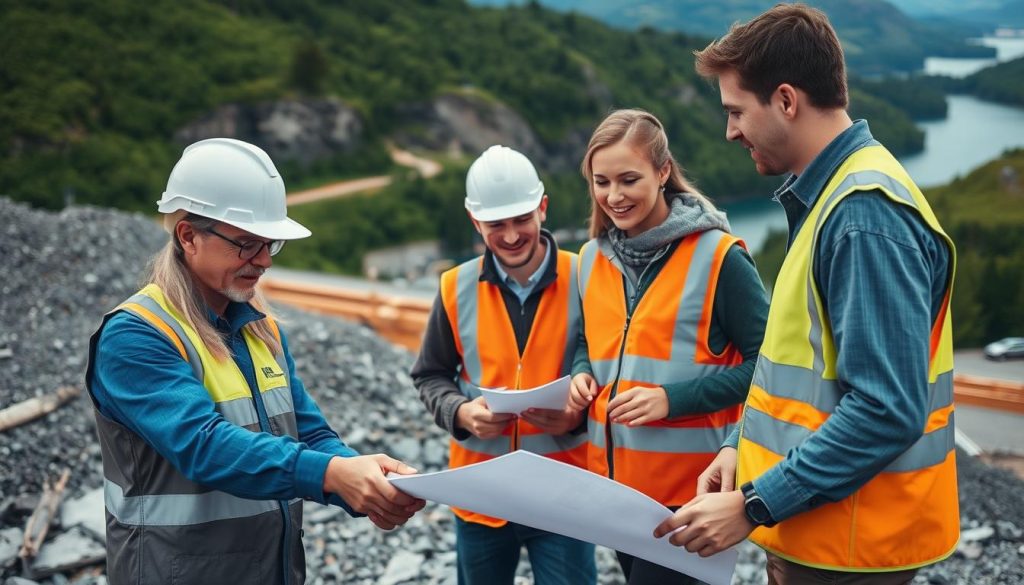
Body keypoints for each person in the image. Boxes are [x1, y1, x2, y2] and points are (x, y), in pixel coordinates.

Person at [654, 5, 958, 584]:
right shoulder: (831, 199)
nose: (730, 131)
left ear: (786, 101)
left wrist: (752, 505)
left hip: (851, 548)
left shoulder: (862, 217)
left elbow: (885, 410)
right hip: (823, 534)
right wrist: (740, 453)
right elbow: (794, 376)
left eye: (737, 111)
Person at [86, 138, 425, 585]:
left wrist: (365, 486)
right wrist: (332, 475)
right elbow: (203, 446)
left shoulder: (259, 328)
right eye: (247, 244)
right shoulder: (136, 335)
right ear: (188, 236)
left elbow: (309, 431)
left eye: (270, 244)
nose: (264, 261)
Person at [569, 109, 768, 584]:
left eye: (629, 179)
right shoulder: (591, 258)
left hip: (691, 499)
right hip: (616, 495)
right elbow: (587, 339)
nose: (614, 196)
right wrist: (581, 372)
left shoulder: (720, 257)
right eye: (602, 182)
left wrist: (672, 400)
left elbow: (770, 367)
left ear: (662, 173)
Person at [411, 145, 597, 585]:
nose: (511, 235)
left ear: (543, 209)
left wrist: (576, 415)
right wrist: (460, 412)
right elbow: (430, 374)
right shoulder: (454, 287)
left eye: (521, 220)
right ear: (475, 221)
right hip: (481, 496)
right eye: (496, 224)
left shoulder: (587, 277)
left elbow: (609, 370)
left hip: (563, 495)